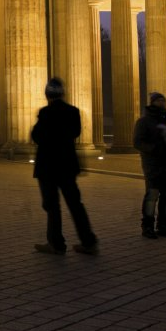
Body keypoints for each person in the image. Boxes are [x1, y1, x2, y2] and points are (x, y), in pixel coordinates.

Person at [31, 77, 99, 255]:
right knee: (75, 205)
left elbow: (36, 136)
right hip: (67, 165)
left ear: (48, 95)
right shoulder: (73, 111)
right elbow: (76, 132)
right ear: (62, 93)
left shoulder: (45, 113)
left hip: (48, 166)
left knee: (52, 206)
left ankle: (56, 243)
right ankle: (88, 241)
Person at [133, 92, 166, 238]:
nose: (162, 103)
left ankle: (163, 226)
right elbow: (138, 142)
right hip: (152, 163)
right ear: (152, 102)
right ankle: (147, 226)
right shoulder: (144, 122)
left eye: (163, 100)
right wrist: (156, 149)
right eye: (159, 100)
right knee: (152, 195)